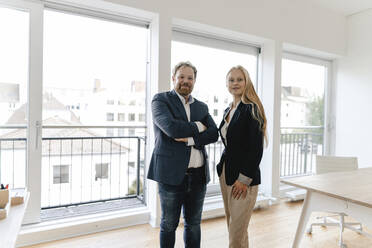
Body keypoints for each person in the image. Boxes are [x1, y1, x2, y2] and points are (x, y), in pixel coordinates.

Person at [147, 61, 218, 248]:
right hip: (171, 175)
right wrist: (198, 126)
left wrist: (190, 139)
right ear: (173, 78)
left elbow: (214, 133)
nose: (185, 81)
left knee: (193, 224)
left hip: (198, 175)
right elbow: (171, 128)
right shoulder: (160, 100)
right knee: (169, 224)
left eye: (190, 78)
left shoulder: (201, 107)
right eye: (181, 77)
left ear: (194, 81)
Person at [217, 65, 267, 248]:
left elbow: (256, 149)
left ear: (246, 82)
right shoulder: (228, 110)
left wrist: (244, 179)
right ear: (227, 84)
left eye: (239, 79)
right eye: (231, 80)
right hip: (226, 173)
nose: (235, 83)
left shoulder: (251, 109)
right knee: (235, 228)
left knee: (236, 233)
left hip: (243, 179)